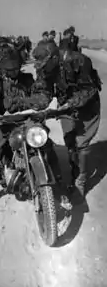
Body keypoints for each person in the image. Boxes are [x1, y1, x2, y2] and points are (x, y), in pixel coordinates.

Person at [0, 45, 58, 215]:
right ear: (4, 69)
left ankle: (59, 185)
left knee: (46, 143)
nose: (14, 72)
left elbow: (38, 94)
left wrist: (41, 103)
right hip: (6, 123)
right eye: (10, 69)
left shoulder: (27, 79)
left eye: (16, 68)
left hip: (27, 120)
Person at [33, 39, 101, 204]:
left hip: (88, 107)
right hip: (65, 105)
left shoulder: (79, 60)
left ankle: (81, 181)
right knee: (70, 142)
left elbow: (89, 89)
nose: (42, 70)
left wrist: (71, 104)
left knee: (82, 144)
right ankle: (73, 174)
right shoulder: (45, 68)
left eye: (44, 65)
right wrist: (39, 103)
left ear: (55, 58)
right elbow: (44, 88)